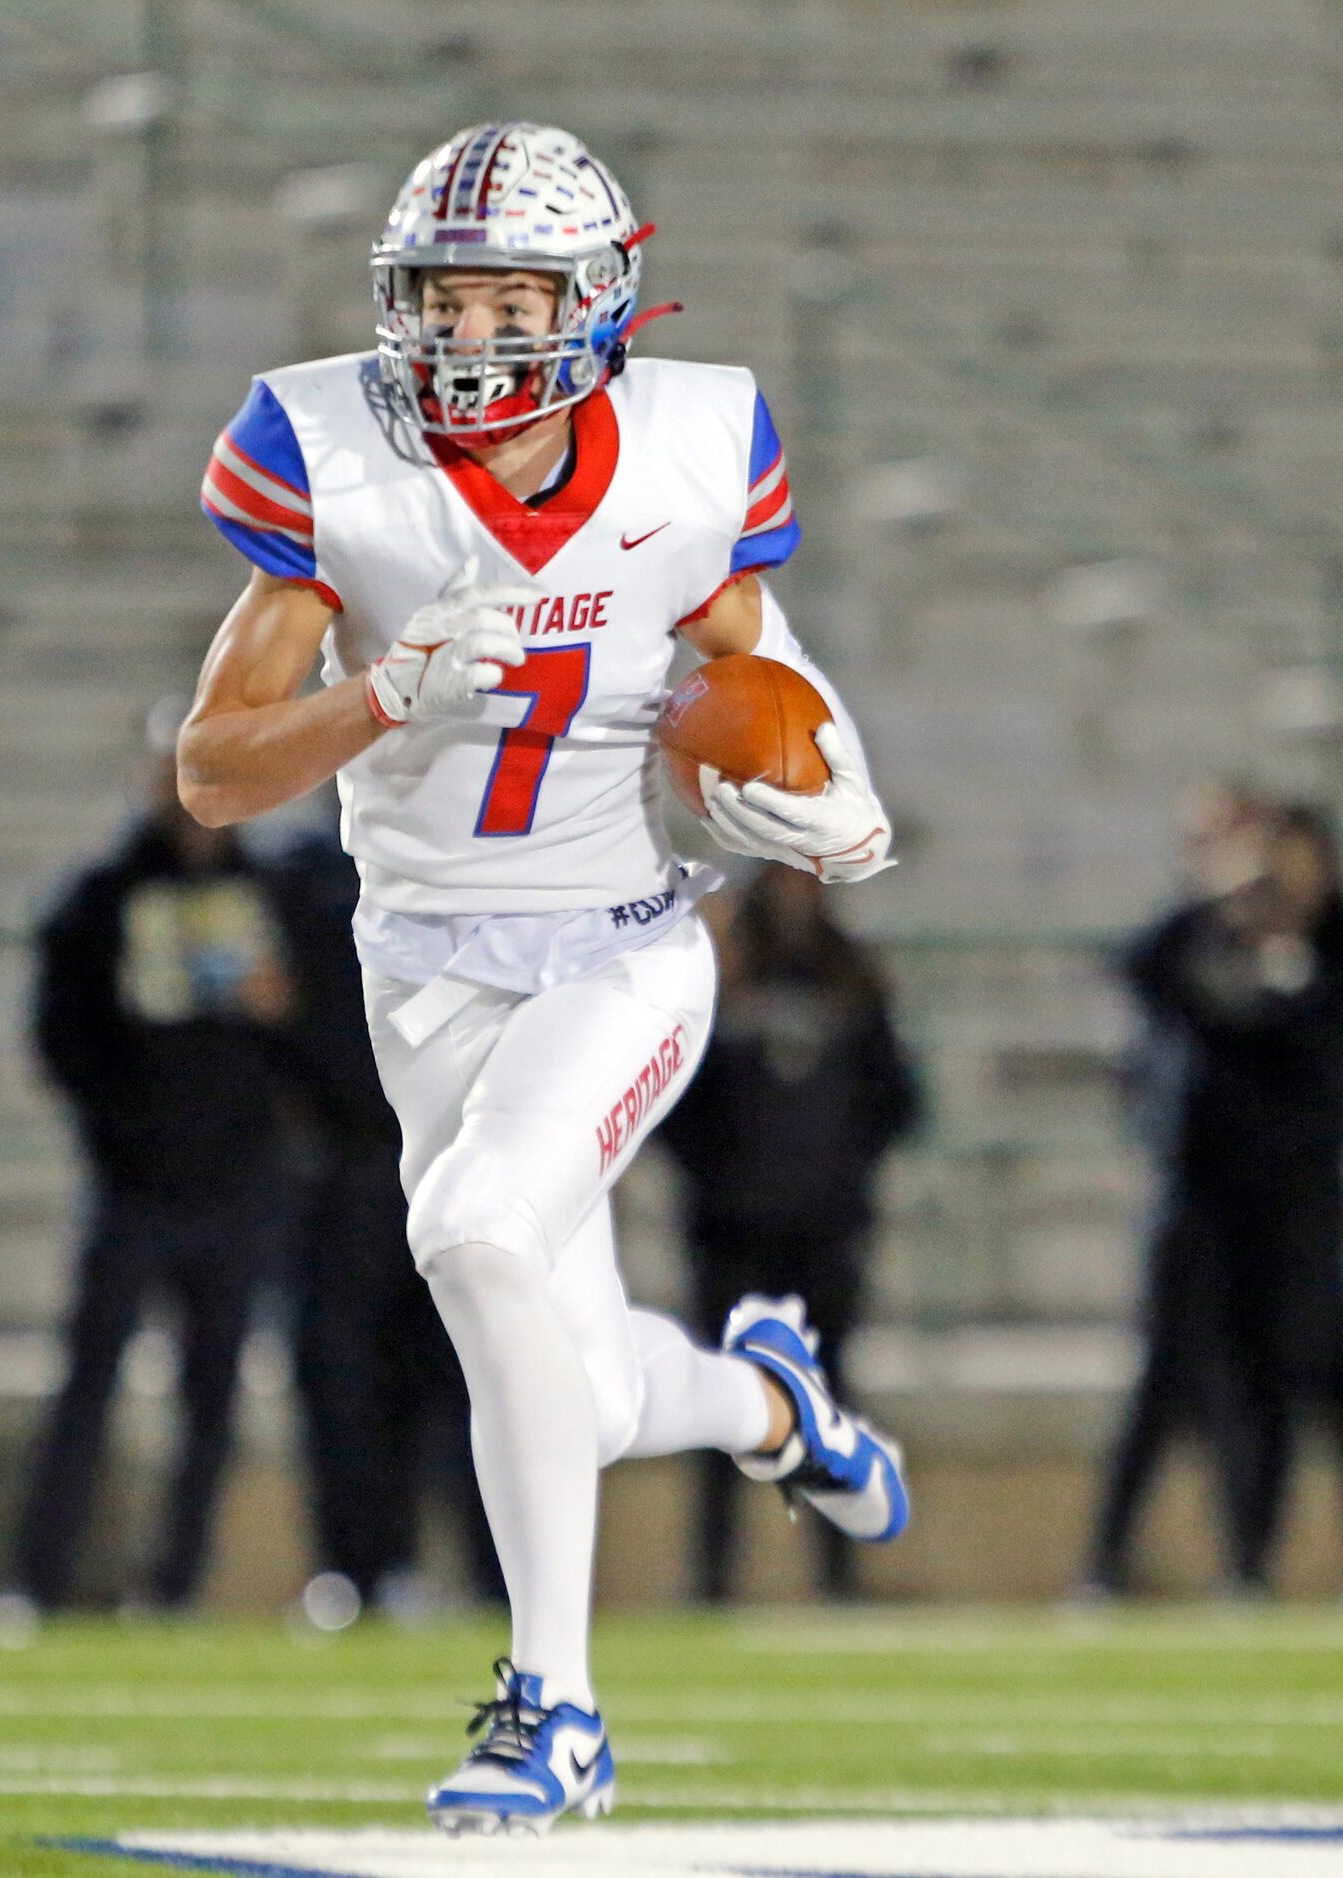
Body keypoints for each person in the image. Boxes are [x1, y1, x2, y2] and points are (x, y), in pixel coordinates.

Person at [175, 122, 906, 1836]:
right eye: (443, 298)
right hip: (419, 965)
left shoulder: (688, 441)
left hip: (622, 945)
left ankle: (554, 1706)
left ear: (597, 305)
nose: (473, 337)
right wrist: (379, 699)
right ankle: (761, 1397)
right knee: (568, 1388)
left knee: (473, 1228)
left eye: (513, 300)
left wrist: (841, 788)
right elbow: (212, 771)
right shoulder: (327, 449)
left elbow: (750, 647)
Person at [0, 739, 290, 1617]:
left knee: (212, 1397)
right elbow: (62, 1036)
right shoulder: (100, 898)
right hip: (133, 1187)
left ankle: (175, 1585)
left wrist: (279, 1033)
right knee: (88, 1387)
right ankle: (38, 1579)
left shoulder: (272, 895)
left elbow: (310, 1035)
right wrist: (121, 1127)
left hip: (234, 1186)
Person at [1085, 803, 1343, 1593]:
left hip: (1291, 1208)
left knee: (1281, 1388)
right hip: (1199, 1205)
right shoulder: (1200, 947)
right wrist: (1215, 896)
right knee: (1168, 1384)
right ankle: (1106, 1562)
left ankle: (1257, 1561)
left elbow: (1322, 1065)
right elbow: (1140, 965)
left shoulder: (1329, 954)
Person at [657, 865, 919, 1602]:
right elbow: (672, 1102)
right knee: (724, 1402)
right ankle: (712, 1579)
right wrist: (718, 1178)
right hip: (731, 1230)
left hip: (824, 1228)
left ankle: (838, 1577)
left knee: (827, 1403)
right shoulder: (716, 976)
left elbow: (896, 1099)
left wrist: (841, 1175)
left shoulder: (853, 976)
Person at [264, 824, 502, 1618]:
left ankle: (487, 1573)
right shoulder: (301, 877)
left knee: (462, 1378)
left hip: (448, 1157)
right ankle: (357, 1566)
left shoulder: (478, 866)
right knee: (342, 1380)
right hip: (344, 1162)